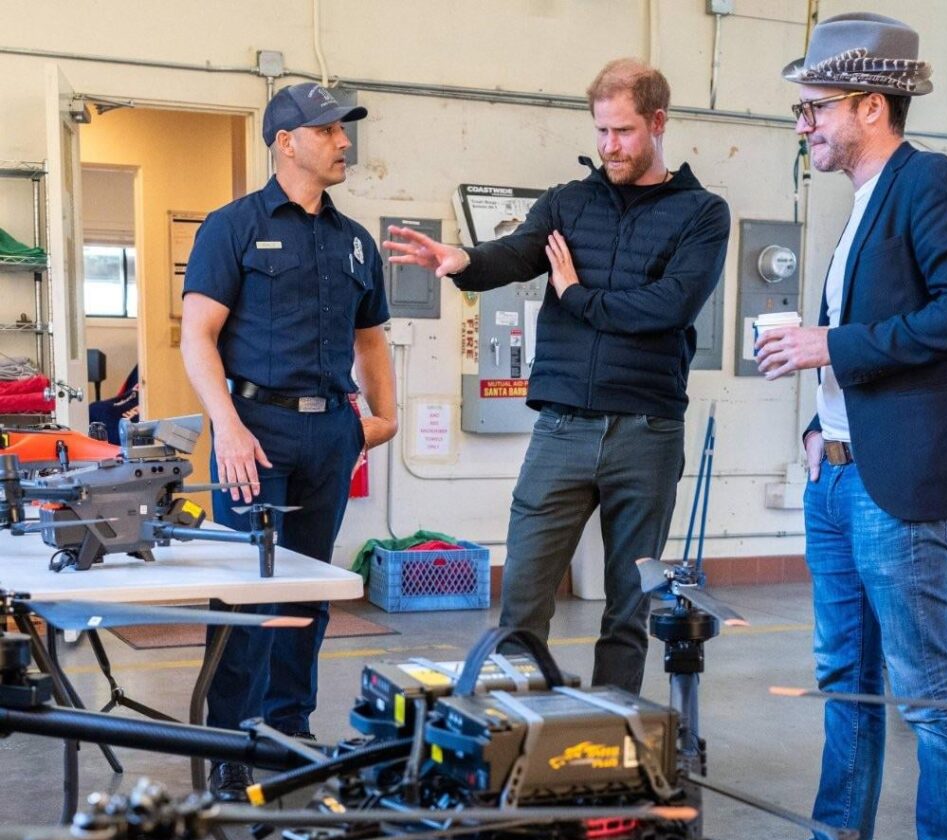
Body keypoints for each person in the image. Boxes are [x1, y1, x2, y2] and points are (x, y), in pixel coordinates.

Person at [756, 13, 947, 840]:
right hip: (842, 475)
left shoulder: (928, 181)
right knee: (846, 677)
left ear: (870, 104)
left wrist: (832, 344)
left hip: (899, 487)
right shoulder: (864, 198)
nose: (804, 124)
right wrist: (823, 427)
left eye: (814, 107)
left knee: (927, 693)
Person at [384, 58, 729, 695]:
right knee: (523, 597)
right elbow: (515, 253)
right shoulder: (568, 203)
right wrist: (463, 258)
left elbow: (670, 307)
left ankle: (610, 736)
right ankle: (525, 734)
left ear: (658, 123)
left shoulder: (702, 214)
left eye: (623, 132)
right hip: (563, 427)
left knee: (628, 607)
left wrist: (573, 296)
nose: (609, 146)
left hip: (646, 431)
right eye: (600, 131)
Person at [181, 83, 397, 800]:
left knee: (308, 588)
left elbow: (371, 340)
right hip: (254, 429)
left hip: (330, 433)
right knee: (247, 590)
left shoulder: (353, 240)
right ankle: (232, 742)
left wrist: (384, 415)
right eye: (331, 131)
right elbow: (197, 337)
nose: (344, 143)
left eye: (345, 131)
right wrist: (228, 428)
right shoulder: (232, 227)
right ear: (287, 141)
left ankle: (290, 726)